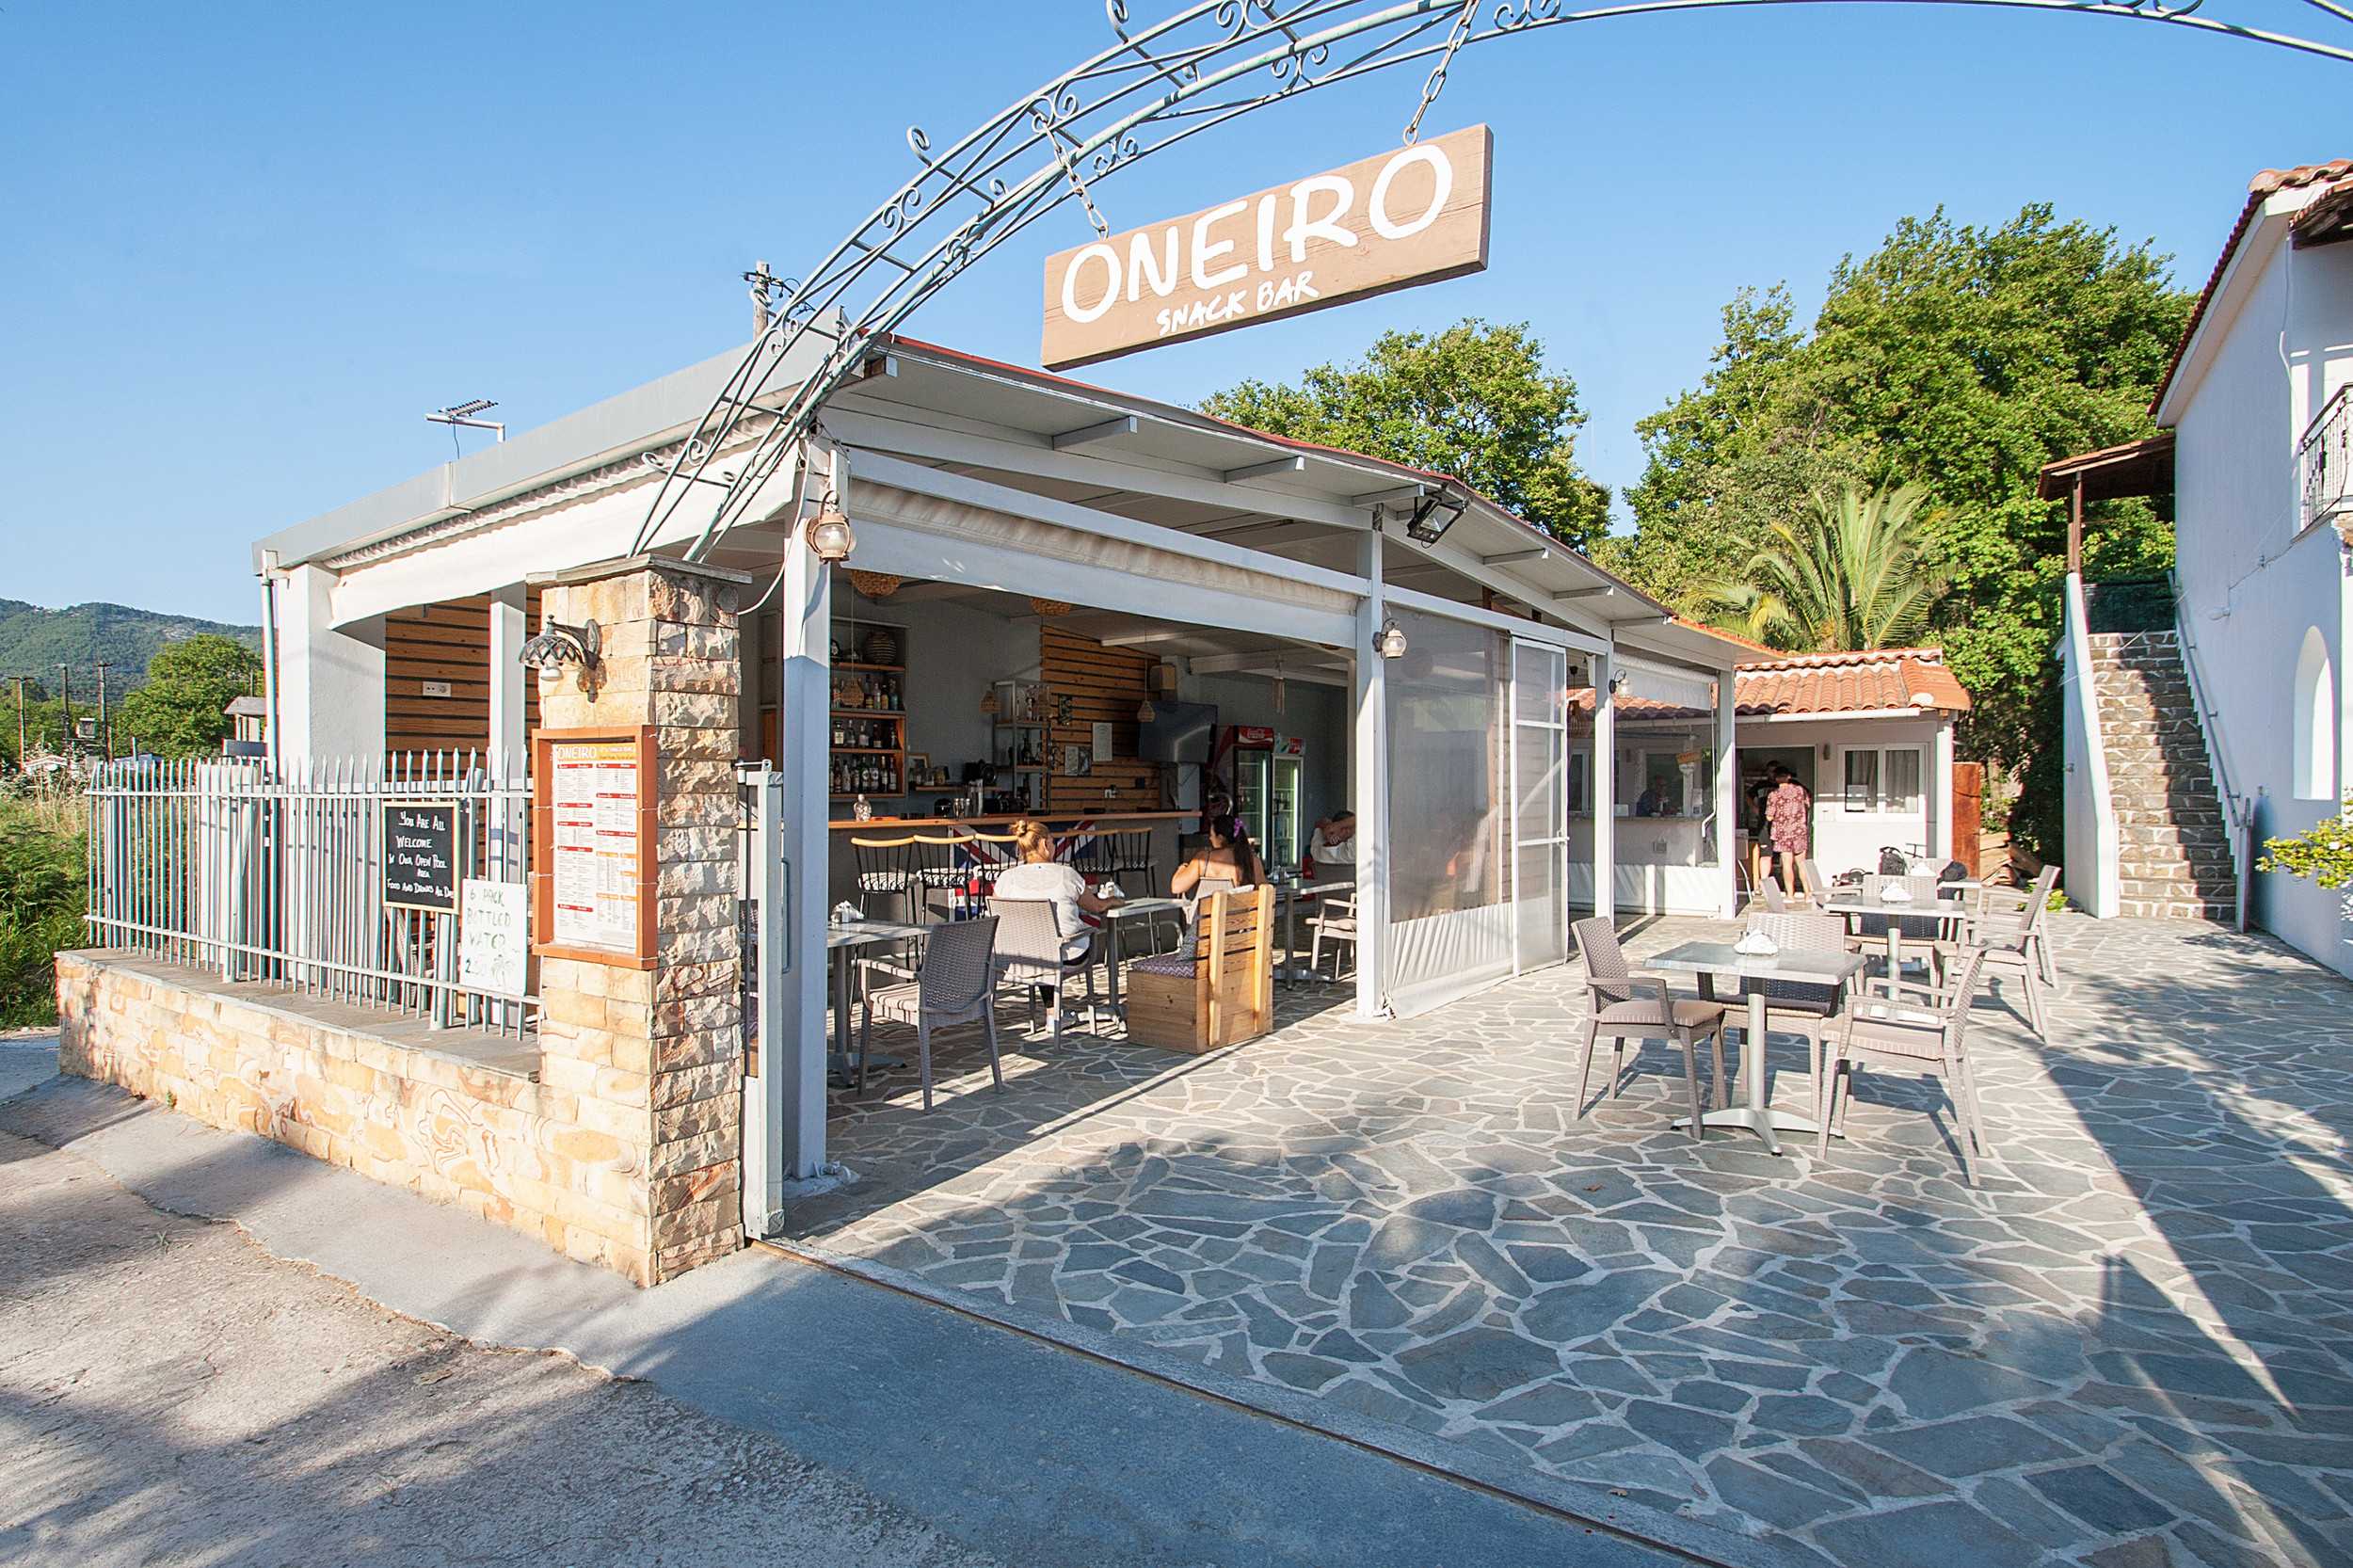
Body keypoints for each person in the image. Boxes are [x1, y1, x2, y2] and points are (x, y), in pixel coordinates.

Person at [992, 818, 1122, 964]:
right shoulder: (1066, 874)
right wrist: (1112, 900)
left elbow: (996, 916)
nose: (1053, 846)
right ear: (1044, 844)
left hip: (1019, 957)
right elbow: (1097, 906)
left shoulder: (1005, 878)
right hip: (1064, 955)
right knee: (1083, 935)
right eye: (1053, 842)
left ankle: (1046, 984)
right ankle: (1051, 983)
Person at [1173, 812, 1265, 896]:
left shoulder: (1204, 860)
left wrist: (1183, 867)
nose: (1210, 839)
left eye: (1211, 835)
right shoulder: (1253, 861)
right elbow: (1263, 893)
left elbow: (1176, 888)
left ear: (1220, 837)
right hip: (1244, 914)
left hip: (1210, 914)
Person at [1763, 762, 1812, 893]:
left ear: (1776, 778)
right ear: (1789, 776)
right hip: (1799, 831)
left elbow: (1769, 817)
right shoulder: (1800, 791)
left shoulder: (1774, 795)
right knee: (1802, 864)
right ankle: (1808, 893)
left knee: (1787, 864)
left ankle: (1790, 895)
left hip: (1783, 834)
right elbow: (1808, 803)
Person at [1305, 810, 1356, 875]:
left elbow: (1319, 824)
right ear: (1346, 830)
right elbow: (1364, 819)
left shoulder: (1317, 853)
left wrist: (1329, 828)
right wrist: (1338, 825)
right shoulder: (1350, 852)